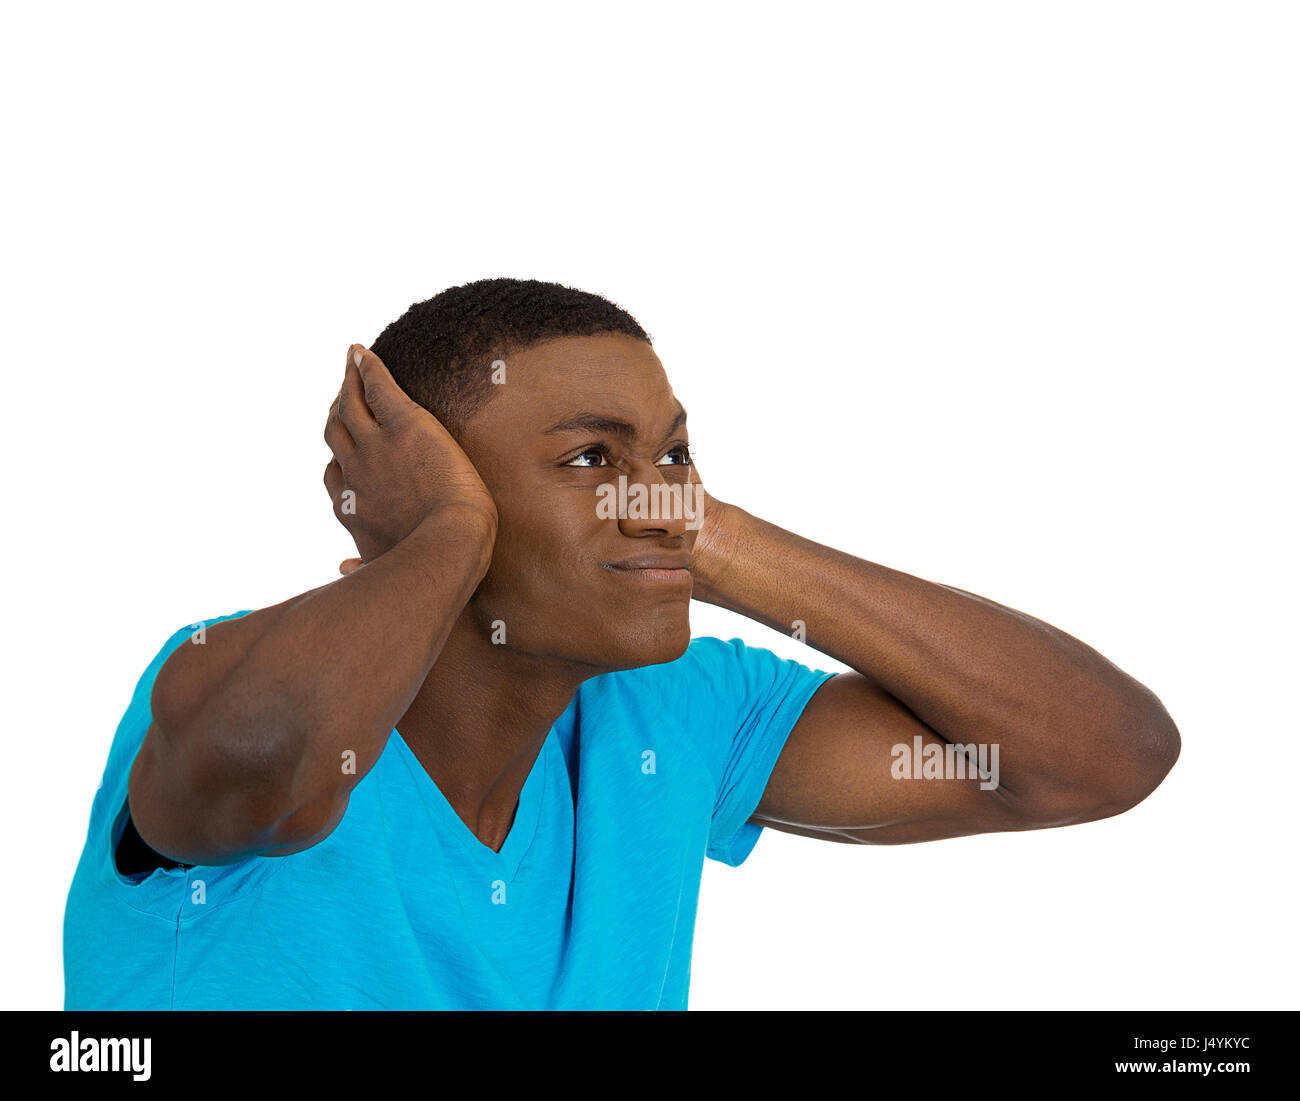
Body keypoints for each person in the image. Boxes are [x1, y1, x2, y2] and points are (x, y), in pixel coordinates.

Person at [63, 278, 1181, 1010]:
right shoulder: (228, 677)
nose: (659, 499)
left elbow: (1095, 754)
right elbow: (273, 763)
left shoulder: (674, 710)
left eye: (677, 452)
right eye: (592, 459)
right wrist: (447, 539)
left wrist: (712, 537)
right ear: (421, 488)